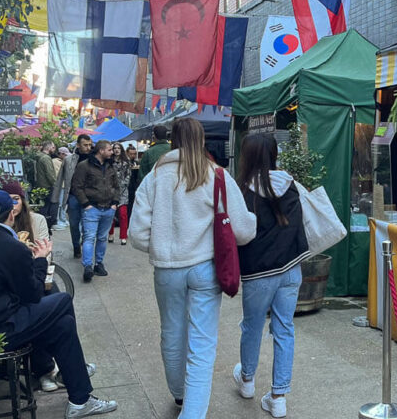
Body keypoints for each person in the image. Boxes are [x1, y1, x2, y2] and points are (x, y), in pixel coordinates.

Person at [0, 191, 117, 418]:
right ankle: (70, 379)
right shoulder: (12, 247)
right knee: (62, 301)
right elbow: (33, 294)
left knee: (62, 325)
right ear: (10, 216)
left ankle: (79, 397)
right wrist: (39, 260)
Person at [129, 118, 257, 418]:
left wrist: (162, 245)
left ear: (172, 140)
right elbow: (242, 230)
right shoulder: (217, 175)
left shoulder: (155, 177)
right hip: (205, 268)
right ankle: (193, 412)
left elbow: (136, 234)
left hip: (167, 269)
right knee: (202, 344)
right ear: (201, 141)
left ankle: (179, 394)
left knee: (171, 334)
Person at [233, 133, 309, 419]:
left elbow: (240, 233)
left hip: (258, 272)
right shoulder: (290, 185)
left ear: (247, 156)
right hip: (291, 268)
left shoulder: (243, 191)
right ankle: (278, 398)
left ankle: (248, 381)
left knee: (251, 326)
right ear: (274, 153)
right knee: (284, 329)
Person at [71, 140, 119, 283]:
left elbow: (116, 186)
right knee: (89, 237)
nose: (112, 152)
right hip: (92, 207)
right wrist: (86, 204)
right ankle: (88, 267)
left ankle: (99, 263)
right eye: (109, 150)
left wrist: (115, 203)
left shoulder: (110, 166)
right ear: (101, 151)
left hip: (108, 207)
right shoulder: (84, 166)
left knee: (102, 237)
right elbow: (77, 186)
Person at [53, 135, 93, 257]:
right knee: (74, 224)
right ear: (78, 145)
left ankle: (85, 247)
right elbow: (60, 179)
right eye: (85, 145)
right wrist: (55, 198)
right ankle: (76, 245)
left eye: (89, 145)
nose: (88, 147)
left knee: (88, 225)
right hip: (73, 196)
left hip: (90, 197)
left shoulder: (94, 158)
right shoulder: (69, 160)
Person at [0, 179, 50, 244]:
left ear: (22, 201)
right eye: (6, 200)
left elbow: (44, 250)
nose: (12, 205)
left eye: (16, 199)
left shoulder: (38, 220)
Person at [108, 143, 133, 245]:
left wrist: (124, 184)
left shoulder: (126, 162)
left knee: (123, 214)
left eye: (119, 148)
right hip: (111, 191)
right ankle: (110, 234)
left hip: (123, 191)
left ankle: (123, 236)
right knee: (111, 214)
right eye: (115, 148)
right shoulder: (109, 162)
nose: (117, 150)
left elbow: (128, 175)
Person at [34, 141, 57, 218]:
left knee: (42, 207)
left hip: (40, 185)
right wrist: (55, 184)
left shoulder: (39, 157)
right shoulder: (46, 158)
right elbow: (50, 173)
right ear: (49, 147)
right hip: (47, 186)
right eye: (53, 147)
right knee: (47, 208)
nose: (54, 150)